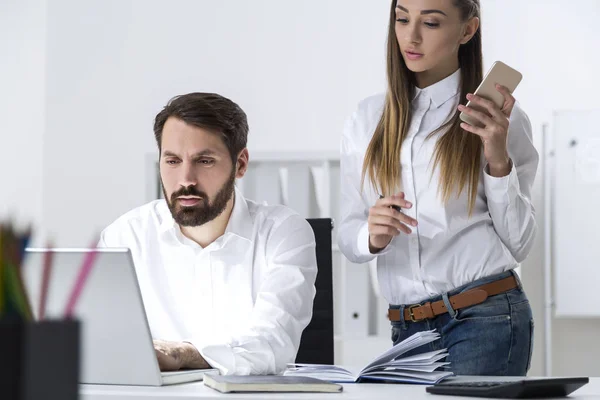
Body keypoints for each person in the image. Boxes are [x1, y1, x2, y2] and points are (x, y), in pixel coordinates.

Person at [338, 0, 538, 376]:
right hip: (407, 330)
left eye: (430, 23)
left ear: (467, 30)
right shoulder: (366, 120)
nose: (410, 36)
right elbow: (348, 236)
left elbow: (520, 242)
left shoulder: (499, 119)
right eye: (401, 19)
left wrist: (497, 159)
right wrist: (372, 235)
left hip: (485, 318)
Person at [99, 92, 317, 375]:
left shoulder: (283, 232)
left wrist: (183, 355)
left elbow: (271, 343)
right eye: (173, 161)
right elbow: (104, 342)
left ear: (240, 164)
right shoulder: (124, 237)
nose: (186, 180)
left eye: (204, 161)